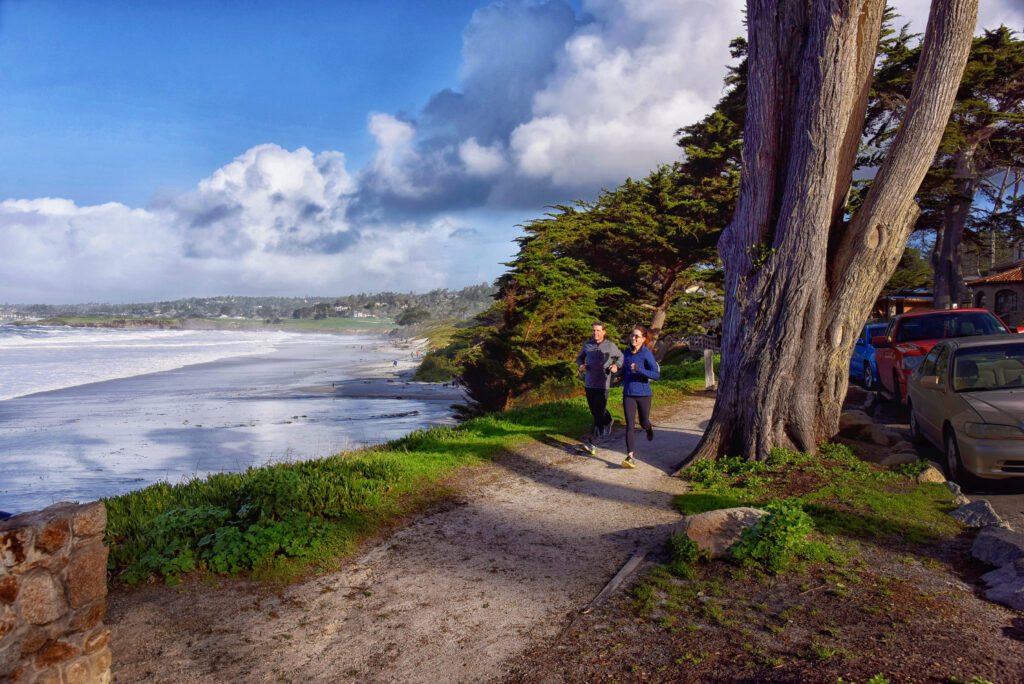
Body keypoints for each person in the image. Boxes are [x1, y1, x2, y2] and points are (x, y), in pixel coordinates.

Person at [576, 321, 622, 454]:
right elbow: (580, 358)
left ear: (604, 332)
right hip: (589, 383)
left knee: (597, 414)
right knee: (595, 411)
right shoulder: (587, 345)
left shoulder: (610, 346)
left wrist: (616, 366)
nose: (595, 333)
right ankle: (608, 420)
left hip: (603, 384)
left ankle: (592, 442)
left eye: (598, 330)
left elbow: (620, 357)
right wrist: (581, 365)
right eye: (594, 331)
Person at [619, 325, 660, 469]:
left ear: (643, 339)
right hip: (628, 394)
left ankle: (648, 428)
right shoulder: (627, 352)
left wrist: (639, 369)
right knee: (630, 425)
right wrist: (618, 376)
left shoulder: (647, 354)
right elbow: (625, 369)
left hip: (643, 394)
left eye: (637, 336)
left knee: (643, 422)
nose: (633, 338)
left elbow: (656, 375)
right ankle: (629, 457)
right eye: (632, 335)